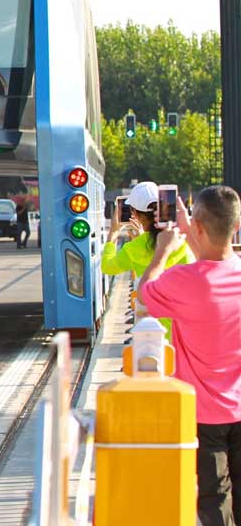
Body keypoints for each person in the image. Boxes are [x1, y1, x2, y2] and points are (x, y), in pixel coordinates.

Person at [137, 186, 241, 526]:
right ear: (235, 226)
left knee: (214, 497)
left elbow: (144, 294)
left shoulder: (183, 281)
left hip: (203, 413)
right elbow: (213, 257)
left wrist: (163, 252)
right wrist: (189, 226)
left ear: (197, 227)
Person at [102, 182, 193, 337]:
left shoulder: (134, 248)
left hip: (153, 335)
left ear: (135, 214)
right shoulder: (182, 239)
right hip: (187, 333)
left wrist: (113, 233)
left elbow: (107, 266)